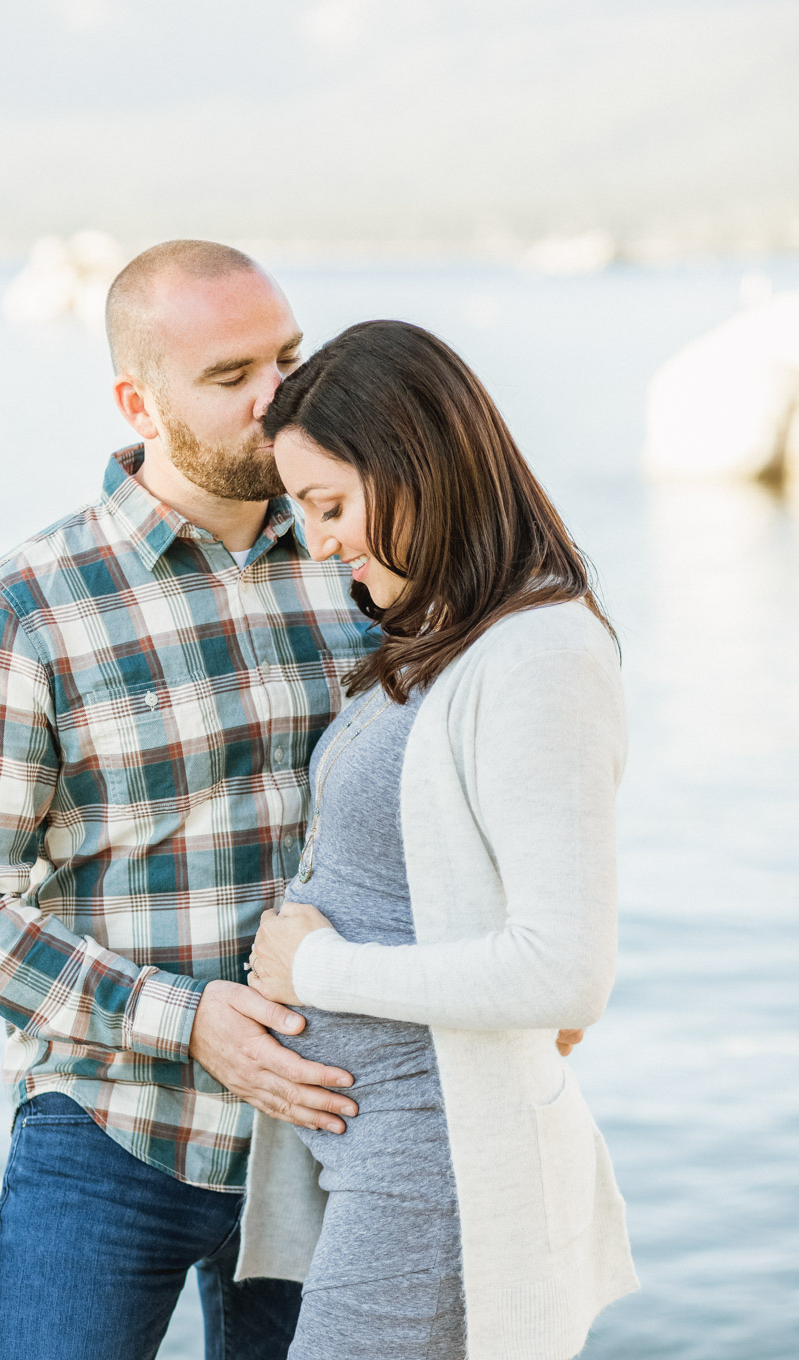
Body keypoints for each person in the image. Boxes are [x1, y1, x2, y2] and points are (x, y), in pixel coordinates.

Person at [0, 242, 586, 1360]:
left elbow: (489, 772)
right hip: (113, 1127)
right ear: (140, 400)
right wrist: (189, 1021)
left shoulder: (365, 557)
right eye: (230, 379)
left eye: (288, 357)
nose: (280, 402)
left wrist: (538, 960)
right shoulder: (23, 606)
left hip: (334, 1133)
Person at [244, 319, 639, 1360]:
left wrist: (314, 965)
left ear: (418, 465)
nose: (319, 541)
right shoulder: (442, 637)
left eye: (329, 506)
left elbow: (564, 972)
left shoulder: (540, 651)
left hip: (438, 1163)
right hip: (383, 1155)